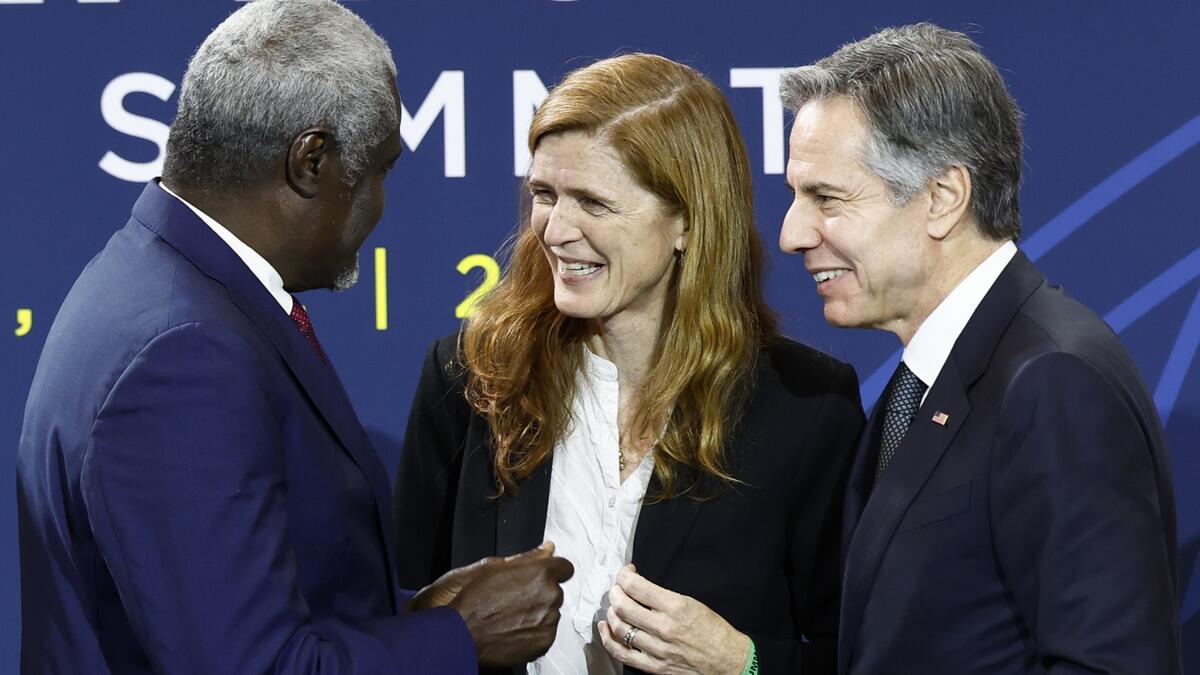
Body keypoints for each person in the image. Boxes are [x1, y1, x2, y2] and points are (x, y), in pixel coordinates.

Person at [16, 1, 573, 672]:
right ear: (311, 160)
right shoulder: (185, 353)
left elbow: (250, 602)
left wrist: (413, 613)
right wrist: (459, 635)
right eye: (380, 171)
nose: (380, 206)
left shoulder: (150, 278)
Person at [393, 52, 864, 675]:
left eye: (592, 202)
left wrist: (741, 663)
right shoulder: (473, 377)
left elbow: (856, 656)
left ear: (688, 223)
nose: (555, 230)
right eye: (544, 194)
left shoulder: (807, 408)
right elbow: (400, 624)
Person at [778, 23, 1183, 675]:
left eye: (826, 197)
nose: (792, 233)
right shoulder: (924, 381)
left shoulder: (1052, 381)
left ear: (942, 198)